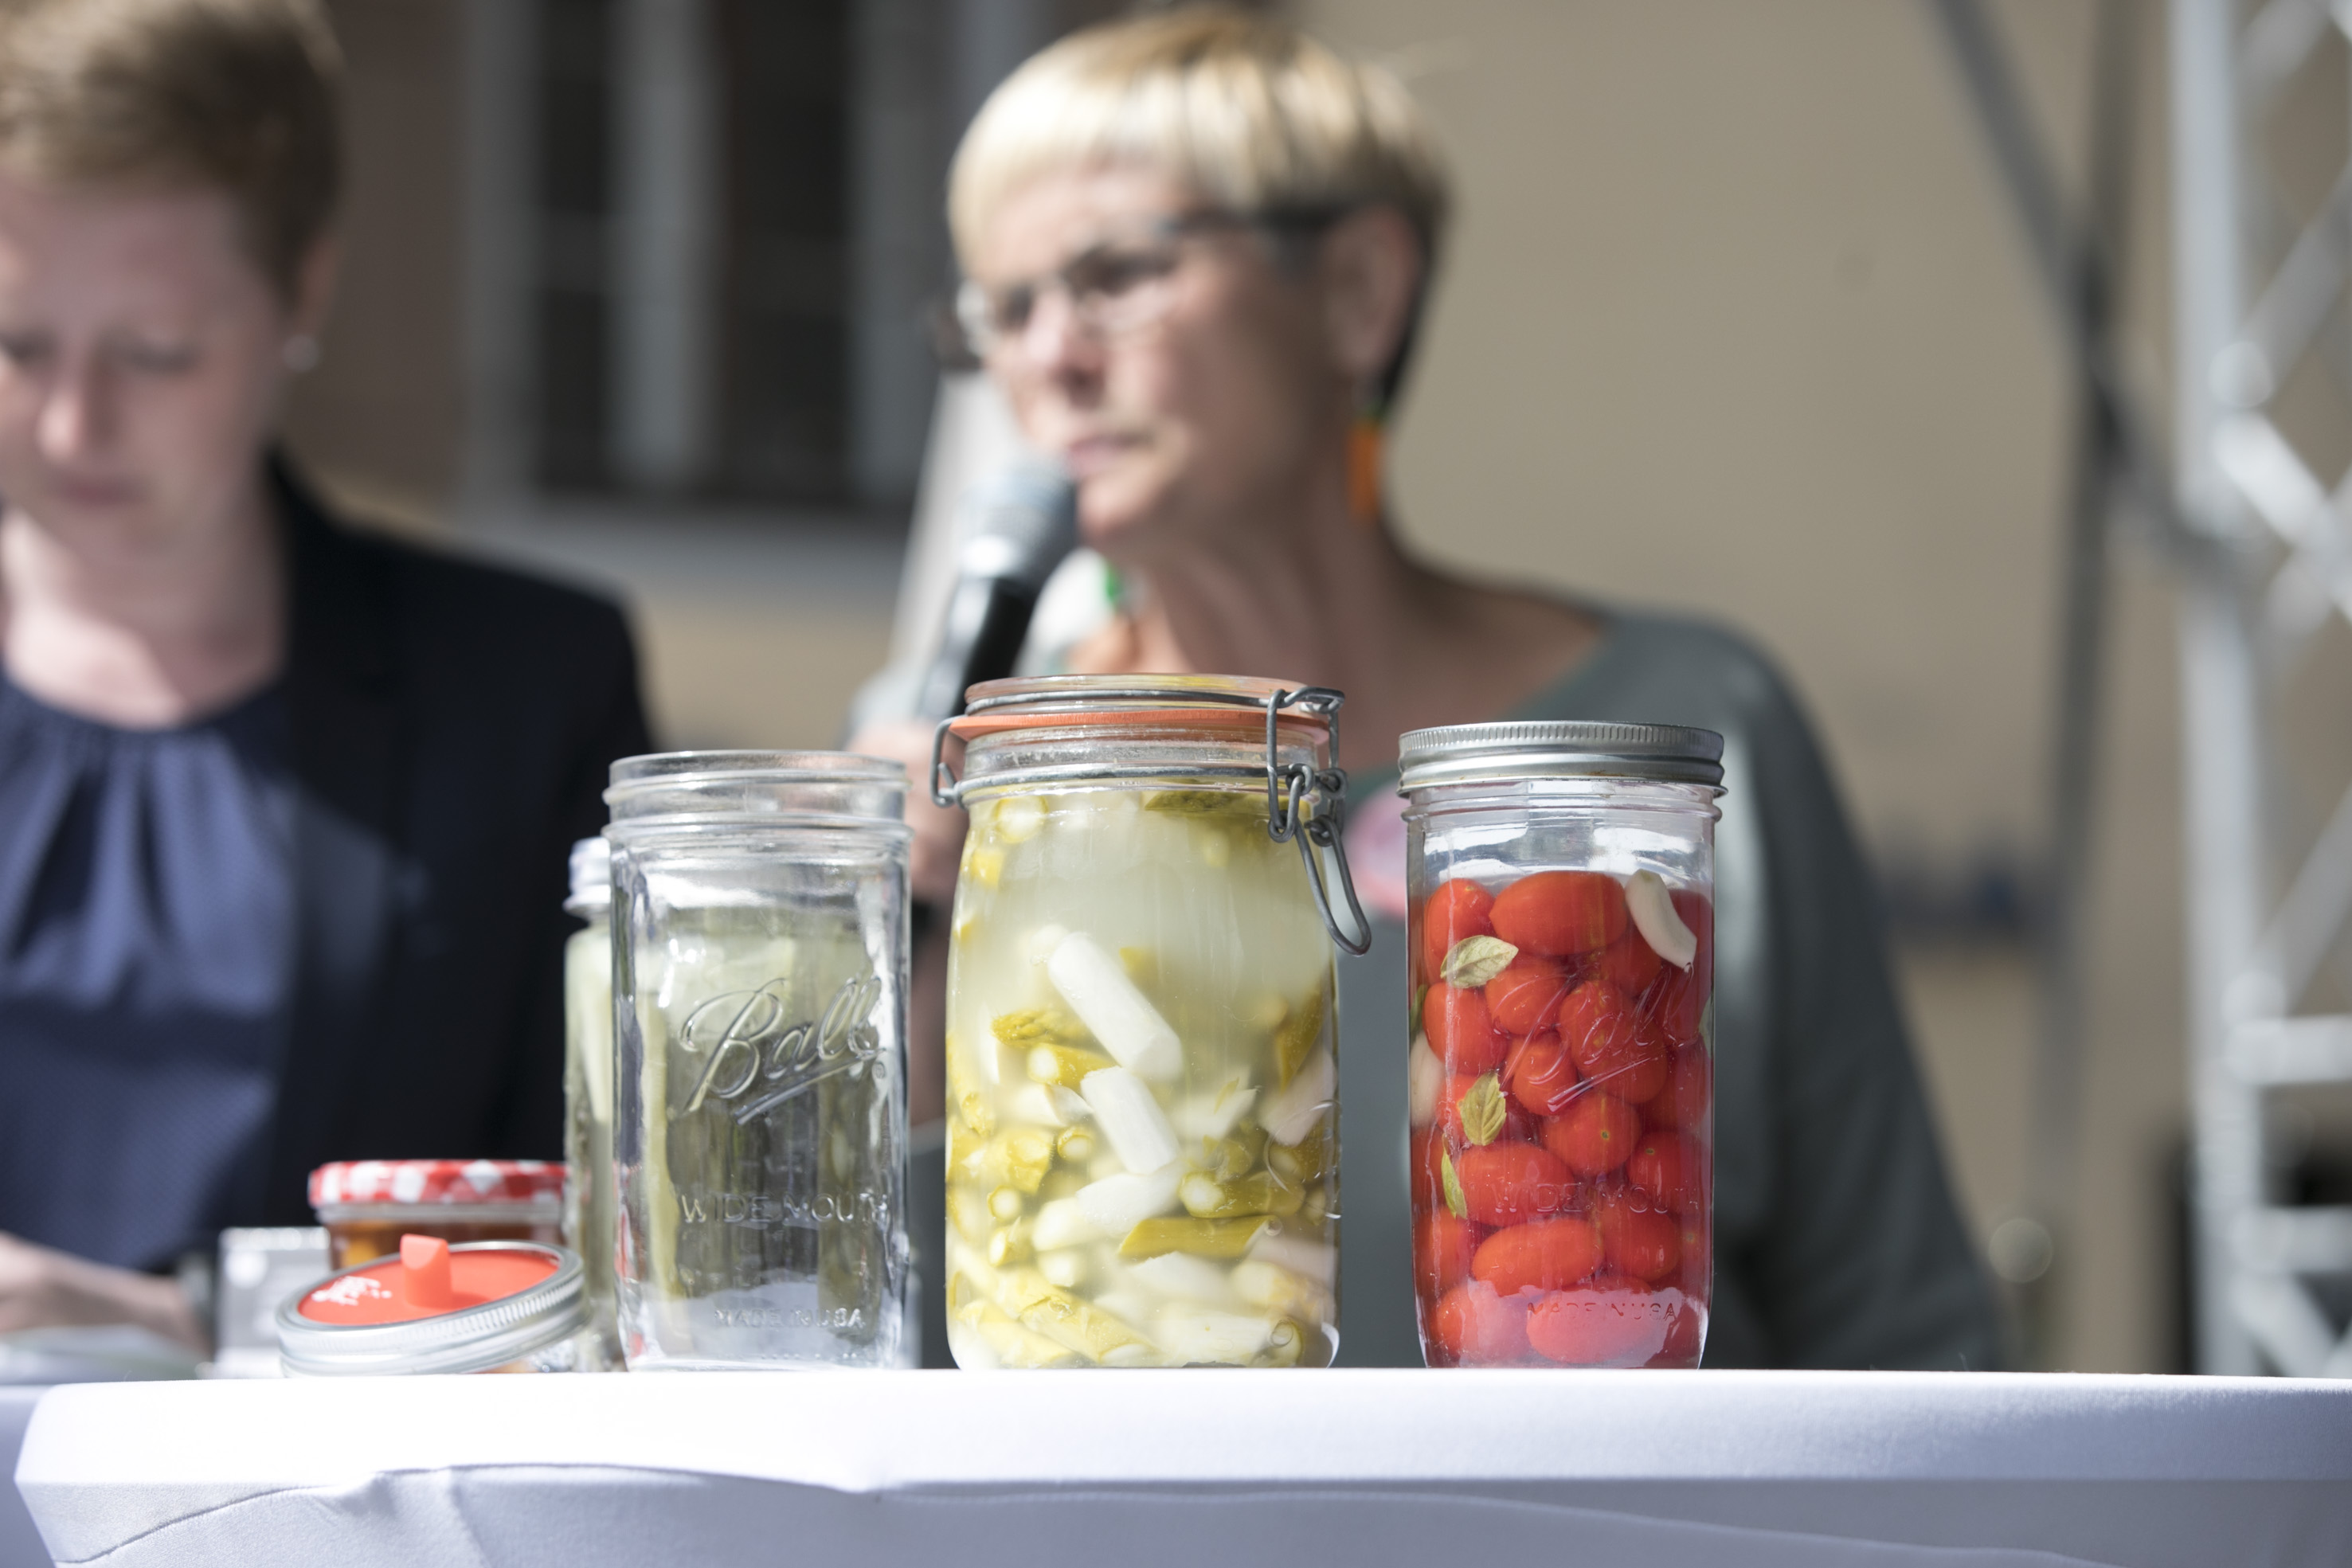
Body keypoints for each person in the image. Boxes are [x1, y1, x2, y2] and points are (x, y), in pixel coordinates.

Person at [856, 5, 2002, 1370]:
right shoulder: (987, 785)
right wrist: (908, 964)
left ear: (1357, 292)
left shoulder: (1689, 729)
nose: (1050, 358)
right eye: (1004, 308)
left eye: (1117, 274)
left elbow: (1905, 1330)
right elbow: (892, 1346)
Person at [0, 0, 649, 1351]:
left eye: (155, 351)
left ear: (304, 290)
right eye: (15, 344)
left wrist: (179, 1318)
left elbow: (600, 1237)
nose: (71, 424)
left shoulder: (523, 689)